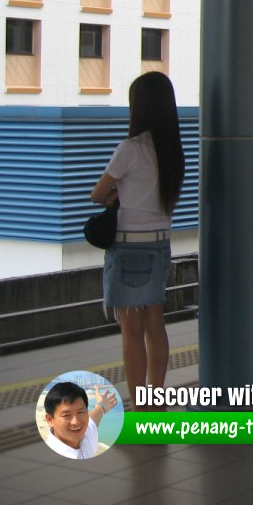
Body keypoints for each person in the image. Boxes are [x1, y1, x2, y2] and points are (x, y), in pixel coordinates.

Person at [91, 72, 185, 412]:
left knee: (131, 332)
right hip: (160, 245)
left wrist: (119, 195)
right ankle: (155, 399)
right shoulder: (173, 152)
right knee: (155, 326)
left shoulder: (129, 149)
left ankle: (138, 405)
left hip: (129, 247)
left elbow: (98, 193)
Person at [42, 382, 117, 459]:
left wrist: (101, 406)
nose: (76, 422)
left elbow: (94, 417)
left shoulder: (86, 433)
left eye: (80, 412)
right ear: (50, 420)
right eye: (66, 415)